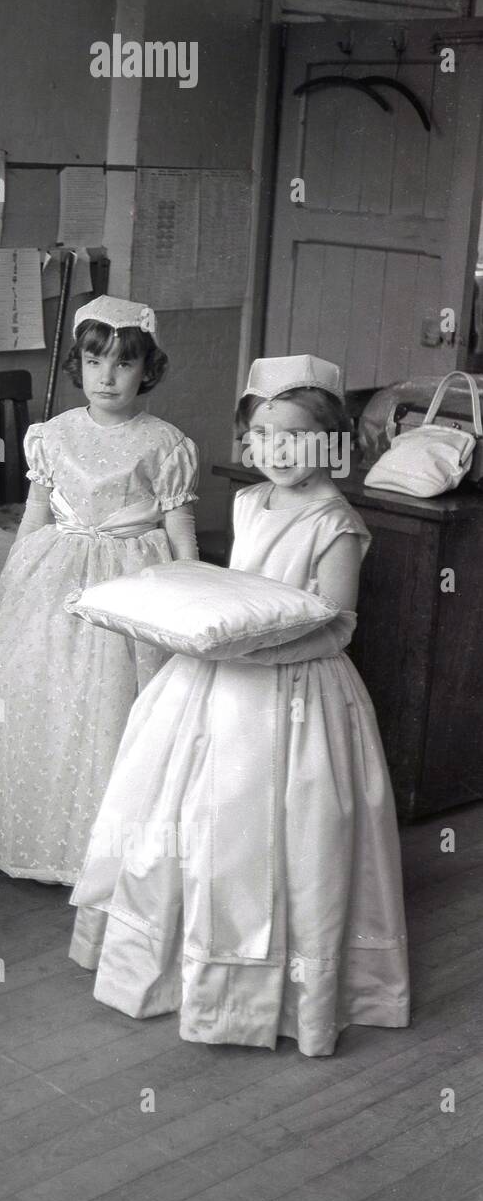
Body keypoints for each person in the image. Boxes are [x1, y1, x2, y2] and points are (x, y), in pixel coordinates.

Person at [69, 355, 409, 1056]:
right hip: (216, 675)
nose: (277, 450)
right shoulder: (248, 501)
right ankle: (172, 956)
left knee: (278, 826)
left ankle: (276, 986)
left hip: (294, 688)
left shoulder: (334, 522)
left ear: (329, 440)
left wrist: (255, 653)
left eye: (296, 434)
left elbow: (337, 622)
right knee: (180, 807)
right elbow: (234, 590)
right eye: (262, 434)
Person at [0, 296, 199, 884]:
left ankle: (105, 850)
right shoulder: (52, 435)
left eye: (123, 364)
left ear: (146, 370)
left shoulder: (164, 442)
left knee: (113, 704)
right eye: (95, 361)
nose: (107, 376)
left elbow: (178, 527)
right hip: (58, 573)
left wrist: (192, 594)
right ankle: (37, 835)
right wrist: (15, 581)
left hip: (133, 579)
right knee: (42, 692)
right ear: (79, 364)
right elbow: (35, 514)